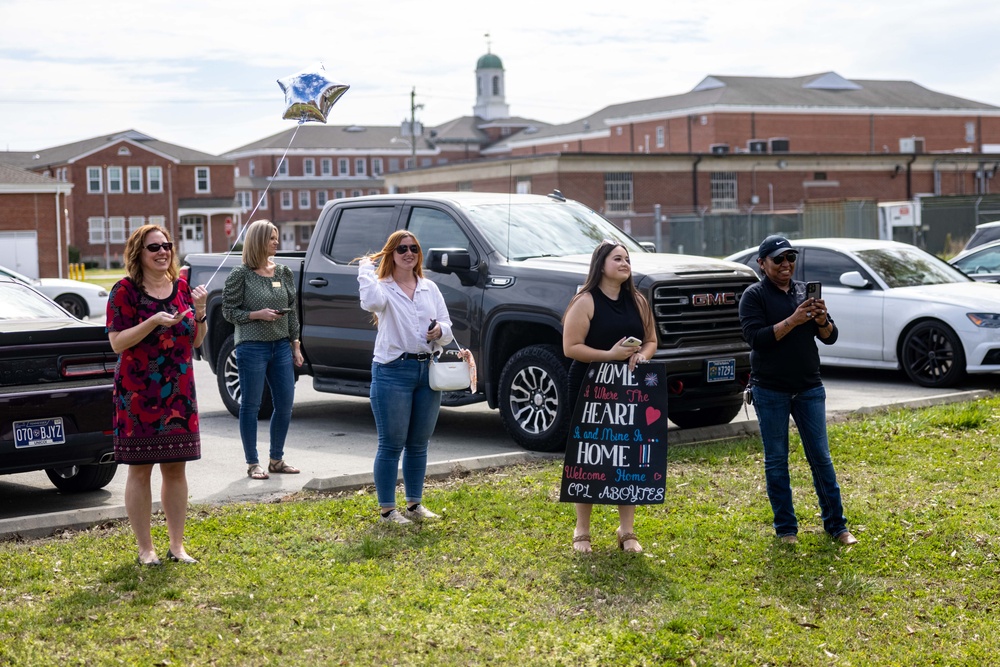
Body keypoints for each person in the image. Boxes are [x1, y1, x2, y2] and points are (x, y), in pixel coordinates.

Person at [738, 234, 858, 546]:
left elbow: (830, 337)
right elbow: (756, 339)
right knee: (777, 460)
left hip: (809, 388)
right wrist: (792, 320)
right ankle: (786, 530)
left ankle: (837, 526)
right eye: (778, 259)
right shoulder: (754, 296)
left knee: (821, 457)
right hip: (770, 390)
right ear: (762, 264)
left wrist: (820, 320)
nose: (786, 264)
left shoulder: (804, 291)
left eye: (790, 257)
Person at [107, 225, 207, 566]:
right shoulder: (124, 291)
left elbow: (195, 340)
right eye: (154, 247)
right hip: (138, 394)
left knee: (176, 470)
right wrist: (153, 322)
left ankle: (177, 546)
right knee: (140, 469)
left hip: (179, 391)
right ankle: (145, 549)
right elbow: (117, 342)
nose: (162, 252)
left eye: (166, 245)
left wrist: (202, 310)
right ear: (139, 253)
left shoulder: (180, 287)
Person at [562, 240, 657, 553]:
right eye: (617, 258)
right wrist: (610, 354)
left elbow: (652, 340)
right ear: (600, 264)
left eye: (627, 258)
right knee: (588, 454)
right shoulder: (585, 300)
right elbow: (571, 347)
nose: (624, 263)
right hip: (589, 383)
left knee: (626, 454)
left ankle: (627, 530)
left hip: (628, 387)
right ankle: (582, 530)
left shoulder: (639, 301)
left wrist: (641, 356)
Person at [358, 231, 453, 525]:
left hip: (427, 372)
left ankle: (414, 505)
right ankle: (388, 510)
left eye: (414, 248)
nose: (409, 253)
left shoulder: (429, 288)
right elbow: (369, 302)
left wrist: (440, 332)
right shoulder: (382, 287)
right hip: (392, 371)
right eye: (401, 249)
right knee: (391, 443)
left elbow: (447, 326)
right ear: (391, 253)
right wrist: (365, 269)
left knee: (419, 443)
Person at [222, 220, 303, 480]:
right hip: (251, 347)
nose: (276, 242)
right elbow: (228, 312)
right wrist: (257, 314)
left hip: (280, 346)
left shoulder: (283, 272)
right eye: (271, 238)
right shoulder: (240, 274)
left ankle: (276, 460)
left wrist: (296, 344)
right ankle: (252, 463)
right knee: (251, 405)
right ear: (258, 241)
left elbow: (292, 312)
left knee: (285, 404)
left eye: (277, 237)